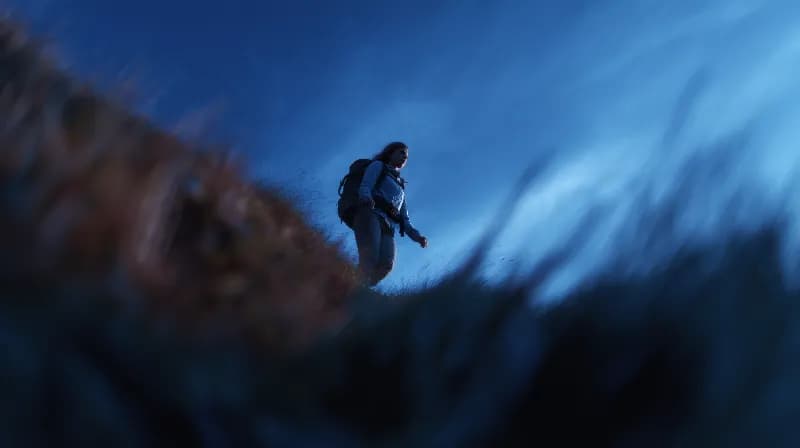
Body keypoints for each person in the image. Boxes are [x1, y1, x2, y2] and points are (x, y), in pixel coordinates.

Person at [352, 141, 427, 286]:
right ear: (390, 153)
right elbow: (366, 186)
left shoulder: (401, 187)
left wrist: (418, 237)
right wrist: (366, 199)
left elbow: (405, 219)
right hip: (371, 214)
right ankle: (351, 287)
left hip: (388, 227)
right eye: (401, 152)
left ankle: (362, 289)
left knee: (387, 264)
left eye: (407, 156)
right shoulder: (378, 166)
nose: (405, 157)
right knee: (370, 256)